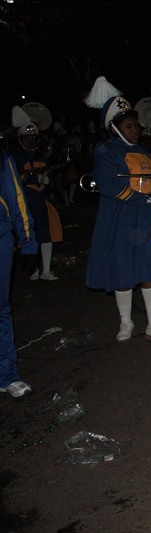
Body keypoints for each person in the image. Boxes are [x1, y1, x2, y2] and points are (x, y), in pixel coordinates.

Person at [82, 76, 151, 343]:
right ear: (114, 128)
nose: (135, 129)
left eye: (135, 125)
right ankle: (126, 323)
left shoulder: (144, 152)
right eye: (129, 126)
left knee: (150, 270)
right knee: (122, 271)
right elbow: (108, 186)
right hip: (120, 218)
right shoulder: (107, 151)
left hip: (145, 219)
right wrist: (141, 200)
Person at [0, 148, 37, 397]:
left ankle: (7, 375)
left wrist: (28, 243)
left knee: (0, 310)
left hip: (0, 237)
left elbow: (16, 199)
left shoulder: (2, 159)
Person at [11, 106, 62, 281]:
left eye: (33, 138)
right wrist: (33, 178)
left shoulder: (42, 158)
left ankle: (46, 270)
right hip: (25, 201)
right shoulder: (16, 158)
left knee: (46, 234)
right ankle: (32, 269)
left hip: (41, 201)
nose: (31, 142)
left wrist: (48, 181)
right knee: (27, 235)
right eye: (27, 138)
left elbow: (50, 180)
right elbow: (13, 179)